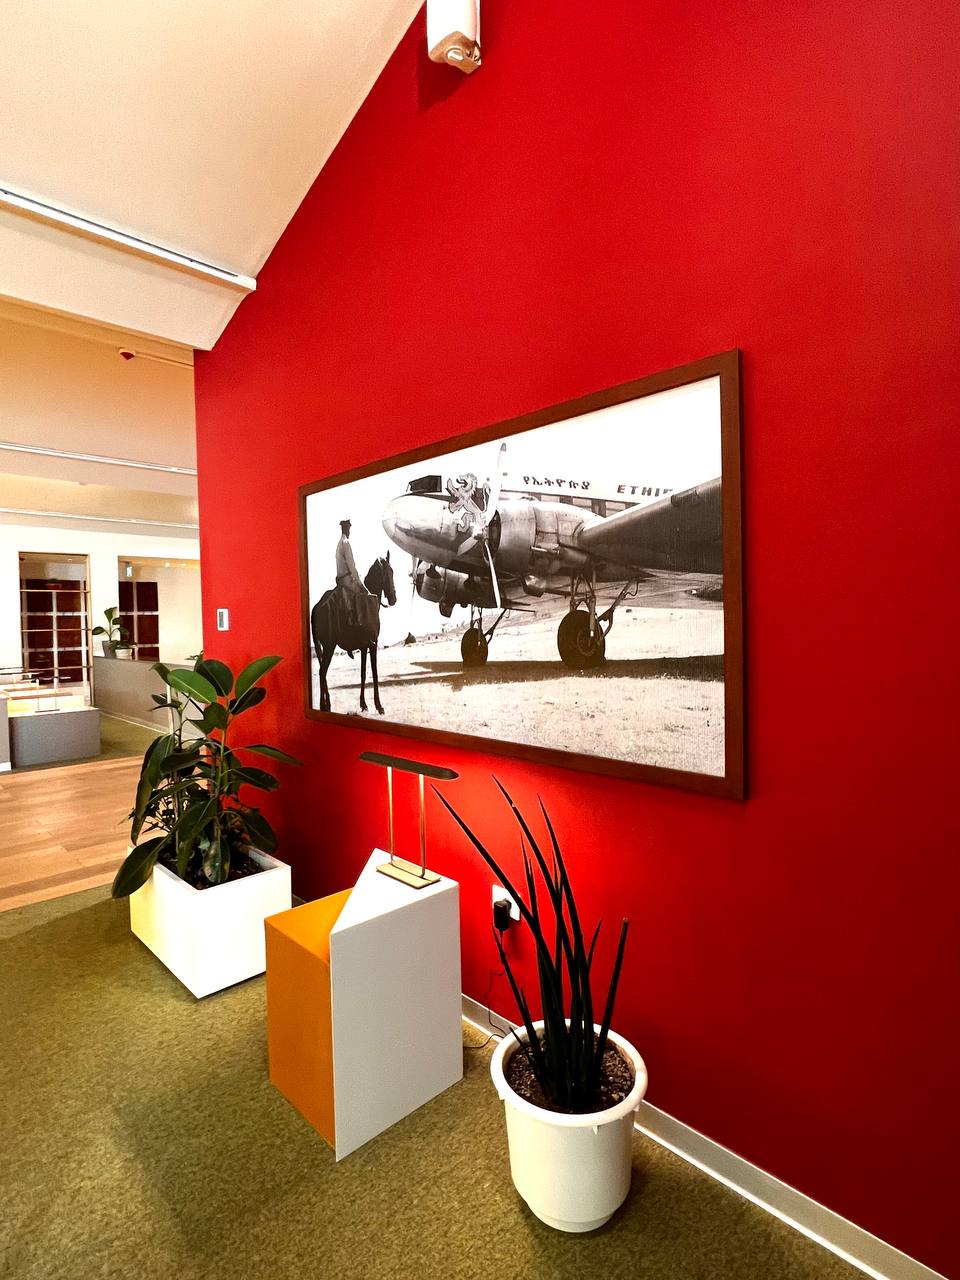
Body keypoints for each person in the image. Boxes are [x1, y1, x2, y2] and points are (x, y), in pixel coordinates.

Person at [335, 519, 373, 640]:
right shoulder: (346, 543)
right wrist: (360, 584)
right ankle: (359, 624)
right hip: (346, 578)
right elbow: (351, 566)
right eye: (349, 528)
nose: (349, 531)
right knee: (363, 593)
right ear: (346, 529)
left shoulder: (339, 543)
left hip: (340, 578)